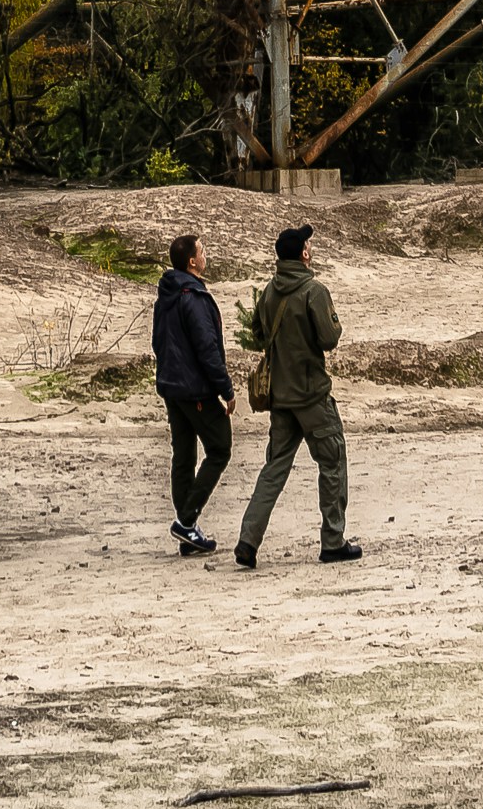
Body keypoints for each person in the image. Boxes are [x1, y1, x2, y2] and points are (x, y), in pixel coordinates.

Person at [234, 219, 360, 568]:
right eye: (307, 245)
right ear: (304, 254)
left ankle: (248, 540)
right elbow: (329, 339)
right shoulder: (314, 291)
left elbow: (258, 333)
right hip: (312, 397)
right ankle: (333, 541)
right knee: (332, 463)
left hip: (281, 398)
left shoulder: (269, 292)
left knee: (274, 469)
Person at [151, 227, 234, 557]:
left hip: (172, 385)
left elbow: (159, 342)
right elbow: (207, 348)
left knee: (183, 455)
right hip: (193, 388)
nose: (205, 254)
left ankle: (187, 533)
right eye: (202, 251)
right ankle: (186, 521)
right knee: (221, 447)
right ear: (192, 261)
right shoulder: (192, 296)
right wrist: (225, 388)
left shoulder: (167, 295)